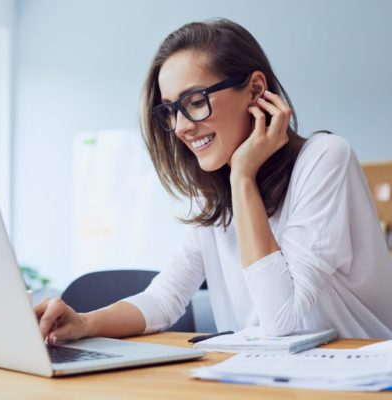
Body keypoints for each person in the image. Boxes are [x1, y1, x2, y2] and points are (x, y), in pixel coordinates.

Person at [35, 19, 392, 343]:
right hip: (259, 380)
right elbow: (164, 297)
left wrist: (243, 175)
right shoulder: (216, 197)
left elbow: (281, 319)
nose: (182, 127)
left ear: (255, 90)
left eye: (195, 101)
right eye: (170, 111)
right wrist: (84, 322)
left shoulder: (325, 157)